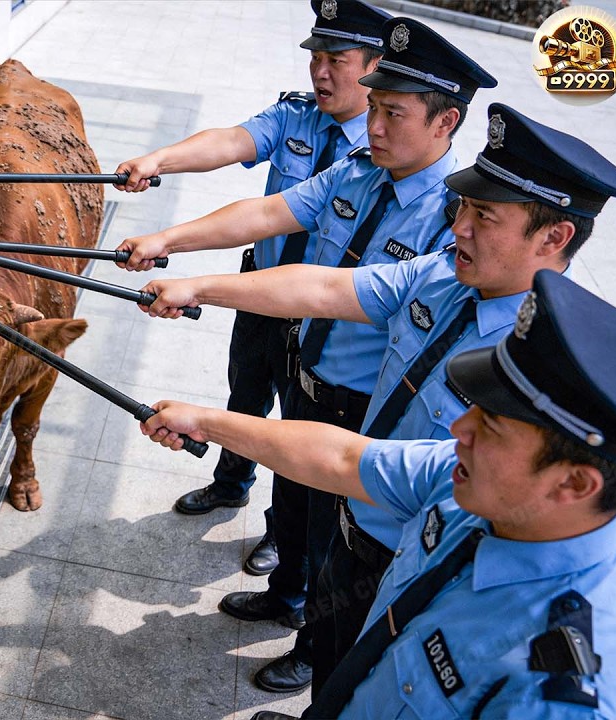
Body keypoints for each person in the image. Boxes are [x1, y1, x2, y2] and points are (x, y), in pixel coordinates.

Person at [138, 103, 616, 694]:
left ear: (554, 236)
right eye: (465, 209)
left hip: (414, 544)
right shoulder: (446, 276)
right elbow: (326, 287)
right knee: (337, 657)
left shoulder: (554, 371)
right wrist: (197, 287)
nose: (459, 228)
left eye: (484, 216)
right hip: (363, 506)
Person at [120, 17, 496, 694]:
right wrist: (173, 243)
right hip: (307, 370)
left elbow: (330, 289)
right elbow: (266, 217)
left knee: (337, 542)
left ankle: (311, 644)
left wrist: (196, 280)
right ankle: (286, 593)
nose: (373, 127)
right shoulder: (358, 173)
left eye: (393, 114)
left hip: (361, 410)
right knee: (292, 502)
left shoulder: (453, 225)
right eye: (374, 109)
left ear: (446, 123)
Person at [139, 269, 616, 719]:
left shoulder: (564, 694)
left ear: (574, 482)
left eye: (492, 426)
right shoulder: (474, 478)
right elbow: (344, 459)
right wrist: (205, 422)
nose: (460, 427)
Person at [115, 0, 390, 579]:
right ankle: (230, 483)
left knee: (296, 429)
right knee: (246, 392)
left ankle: (281, 534)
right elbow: (231, 144)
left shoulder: (386, 157)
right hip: (255, 291)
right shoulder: (298, 116)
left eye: (336, 59)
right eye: (315, 56)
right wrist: (158, 160)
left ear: (374, 66)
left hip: (322, 318)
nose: (320, 71)